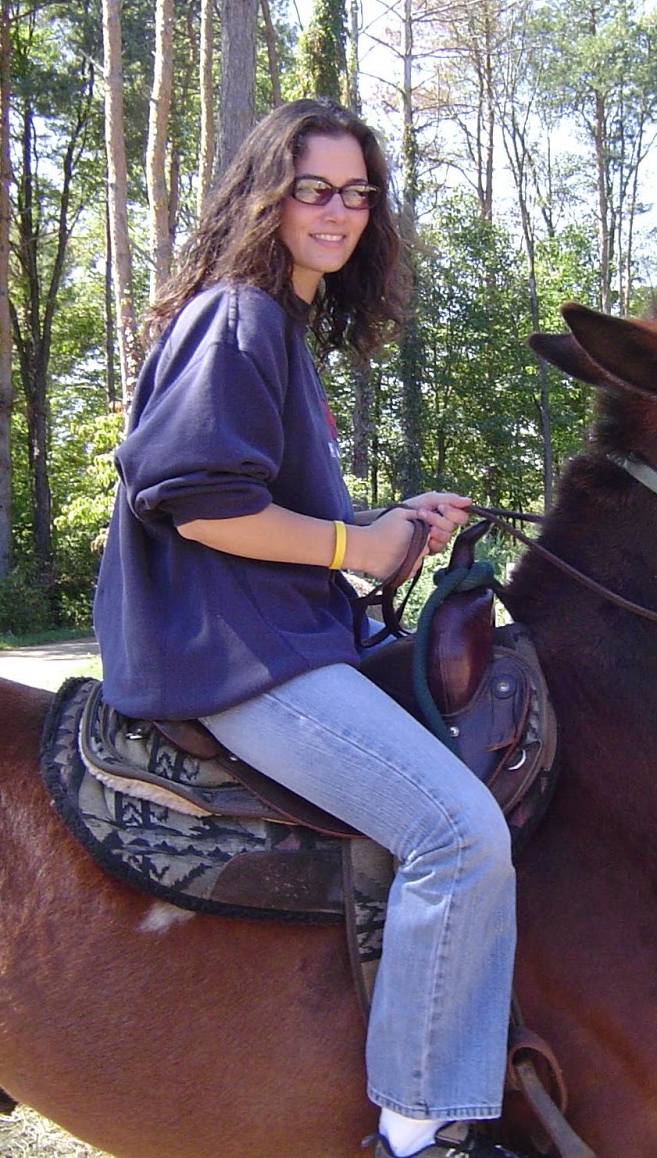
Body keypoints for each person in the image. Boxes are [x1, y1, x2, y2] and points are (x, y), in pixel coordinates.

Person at [92, 99, 521, 1158]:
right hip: (240, 662)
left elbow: (269, 504)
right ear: (266, 194)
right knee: (457, 833)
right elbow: (199, 503)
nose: (339, 213)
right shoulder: (237, 317)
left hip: (272, 638)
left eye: (358, 194)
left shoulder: (269, 325)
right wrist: (355, 550)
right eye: (315, 189)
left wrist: (387, 524)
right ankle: (415, 1133)